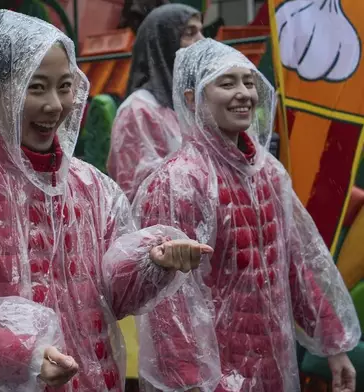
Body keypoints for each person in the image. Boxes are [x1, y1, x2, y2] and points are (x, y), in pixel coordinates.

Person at [0, 10, 212, 392]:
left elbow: (111, 297)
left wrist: (151, 262)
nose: (54, 105)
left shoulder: (93, 186)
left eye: (64, 86)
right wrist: (23, 355)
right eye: (35, 87)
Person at [132, 38, 361, 392]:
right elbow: (170, 306)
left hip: (273, 367)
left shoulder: (268, 172)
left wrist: (334, 347)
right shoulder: (179, 183)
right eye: (227, 83)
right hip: (214, 380)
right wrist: (193, 383)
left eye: (248, 81)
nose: (243, 93)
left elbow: (297, 265)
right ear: (193, 99)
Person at [107, 4, 203, 201]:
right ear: (164, 41)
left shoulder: (193, 102)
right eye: (190, 33)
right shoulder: (139, 110)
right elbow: (137, 193)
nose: (202, 41)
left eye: (201, 32)